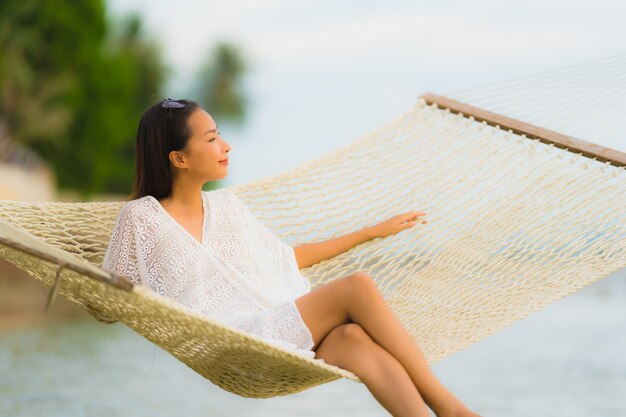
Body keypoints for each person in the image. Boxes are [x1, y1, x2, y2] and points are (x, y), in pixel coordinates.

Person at [102, 97, 482, 417]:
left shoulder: (227, 208)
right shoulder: (141, 217)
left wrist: (371, 232)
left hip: (277, 326)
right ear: (178, 159)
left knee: (351, 337)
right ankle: (449, 407)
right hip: (232, 343)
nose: (227, 146)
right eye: (213, 138)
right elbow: (108, 298)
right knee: (357, 286)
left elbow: (285, 260)